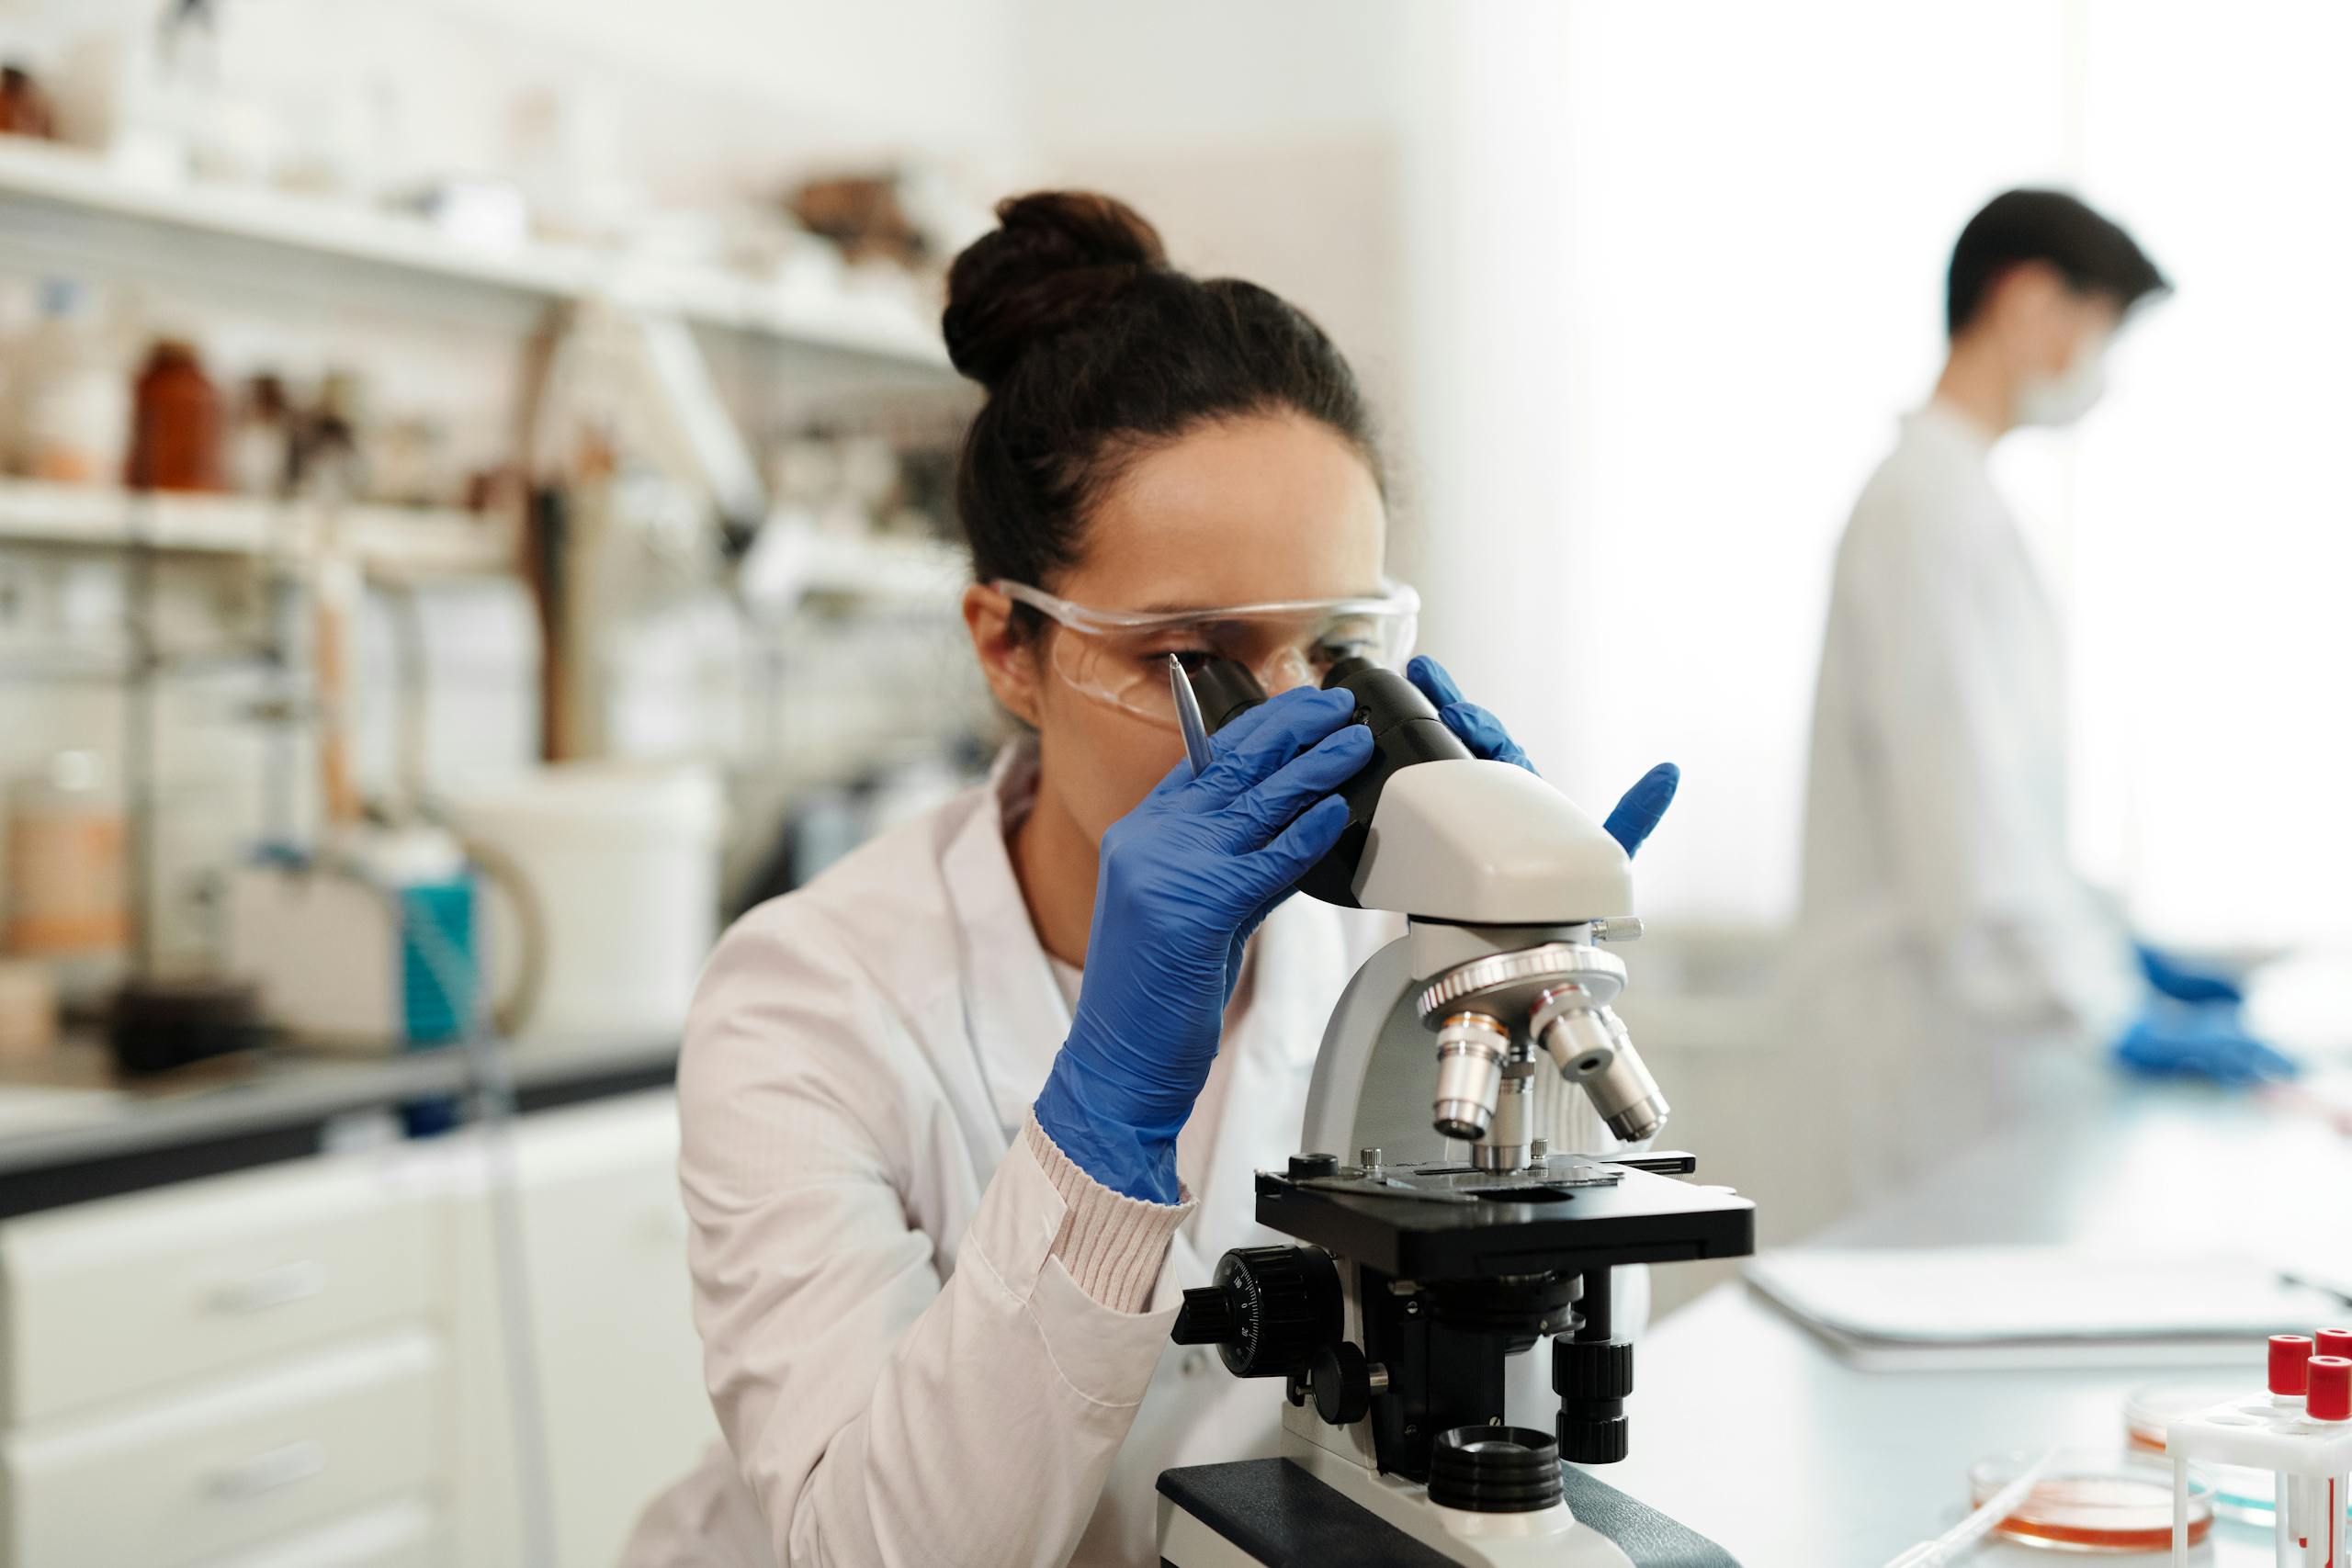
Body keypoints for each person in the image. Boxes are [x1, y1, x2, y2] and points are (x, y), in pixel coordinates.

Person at [622, 191, 1679, 1568]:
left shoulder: (1378, 965)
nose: (1294, 717)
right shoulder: (807, 996)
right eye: (1197, 655)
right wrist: (1107, 1111)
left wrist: (1521, 974)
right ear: (1009, 645)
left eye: (1339, 646)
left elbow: (1531, 1424)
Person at [1798, 188, 2294, 1189]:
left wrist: (2111, 943)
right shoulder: (1925, 510)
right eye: (2102, 330)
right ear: (2028, 301)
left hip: (1965, 1043)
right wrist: (2106, 1008)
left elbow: (2003, 817)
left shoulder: (1957, 498)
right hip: (1922, 1051)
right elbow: (1960, 830)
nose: (2100, 371)